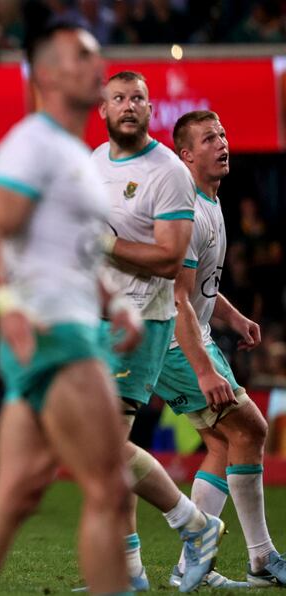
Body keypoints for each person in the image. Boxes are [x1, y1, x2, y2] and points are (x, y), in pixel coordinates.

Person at [0, 22, 144, 596]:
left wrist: (114, 303)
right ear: (48, 73)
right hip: (54, 331)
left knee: (17, 493)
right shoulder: (31, 144)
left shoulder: (72, 153)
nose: (97, 64)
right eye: (83, 56)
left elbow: (76, 250)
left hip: (63, 323)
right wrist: (5, 305)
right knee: (109, 489)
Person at [92, 71, 225, 591]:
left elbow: (171, 261)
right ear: (103, 110)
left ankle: (194, 526)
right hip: (99, 318)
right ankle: (130, 574)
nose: (129, 105)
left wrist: (104, 245)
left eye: (138, 98)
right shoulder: (93, 164)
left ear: (151, 110)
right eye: (119, 98)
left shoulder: (168, 171)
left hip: (142, 321)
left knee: (102, 444)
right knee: (105, 452)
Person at [154, 110, 286, 588]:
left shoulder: (211, 201)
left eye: (224, 134)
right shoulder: (187, 209)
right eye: (210, 138)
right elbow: (177, 297)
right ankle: (261, 558)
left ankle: (193, 566)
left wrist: (233, 317)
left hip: (191, 334)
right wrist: (205, 369)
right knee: (250, 427)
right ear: (187, 155)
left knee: (222, 443)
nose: (223, 143)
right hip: (174, 340)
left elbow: (201, 286)